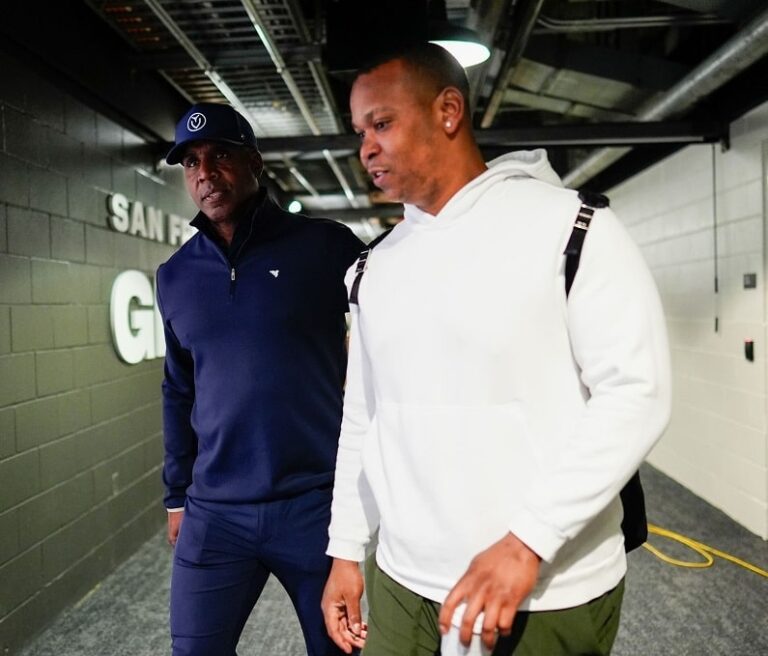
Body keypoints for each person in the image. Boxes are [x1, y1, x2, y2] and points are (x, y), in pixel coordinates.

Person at [321, 44, 671, 656]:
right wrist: (347, 549)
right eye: (359, 132)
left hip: (544, 585)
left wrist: (528, 540)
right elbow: (364, 419)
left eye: (382, 124)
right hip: (404, 579)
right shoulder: (375, 267)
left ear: (448, 111)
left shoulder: (573, 229)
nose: (365, 148)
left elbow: (636, 394)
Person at [157, 101, 364, 655]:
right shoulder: (175, 276)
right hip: (215, 511)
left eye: (221, 155)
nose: (205, 172)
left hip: (315, 503)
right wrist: (177, 495)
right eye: (192, 162)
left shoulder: (327, 246)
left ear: (255, 161)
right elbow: (178, 390)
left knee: (344, 650)